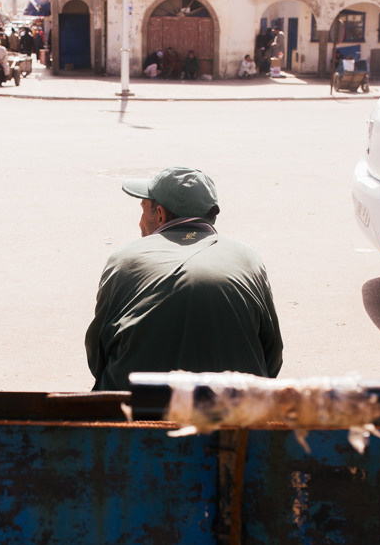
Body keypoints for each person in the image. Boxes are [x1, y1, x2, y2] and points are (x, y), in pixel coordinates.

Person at [86, 166, 283, 391]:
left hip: (138, 411)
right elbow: (272, 358)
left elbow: (97, 354)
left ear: (159, 214)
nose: (140, 222)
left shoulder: (124, 259)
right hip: (232, 413)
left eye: (143, 209)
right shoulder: (248, 258)